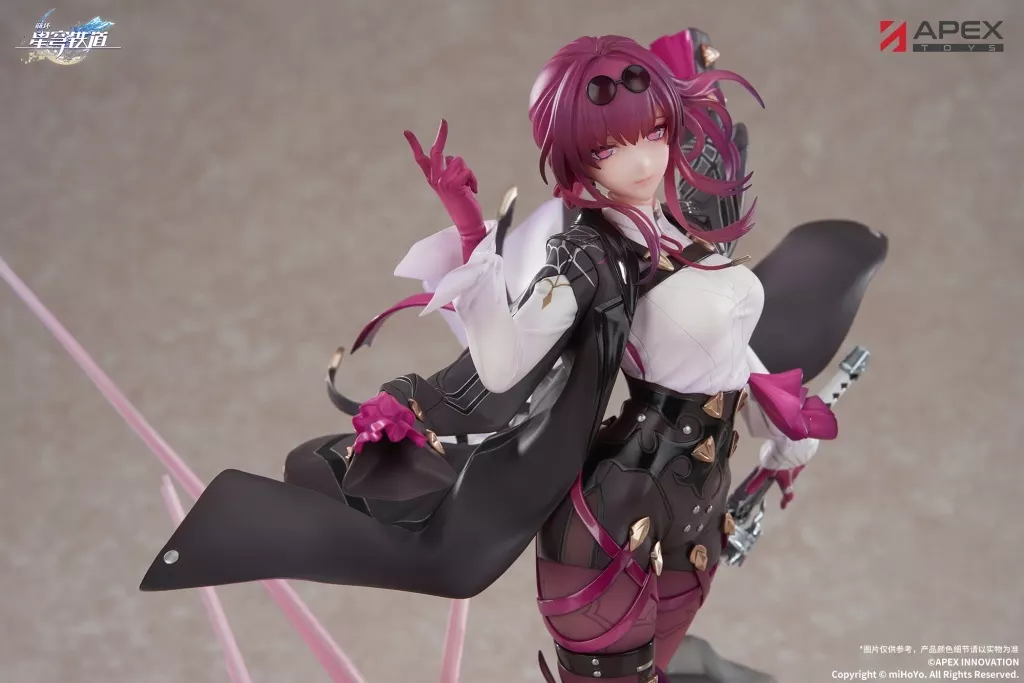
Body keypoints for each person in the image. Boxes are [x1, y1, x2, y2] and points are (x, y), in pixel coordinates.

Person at [139, 32, 839, 683]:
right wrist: (473, 231)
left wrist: (782, 427)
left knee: (683, 663)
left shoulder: (681, 237)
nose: (641, 160)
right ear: (578, 156)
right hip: (615, 521)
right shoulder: (586, 257)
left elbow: (727, 351)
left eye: (653, 132)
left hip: (698, 508)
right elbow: (505, 365)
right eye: (611, 146)